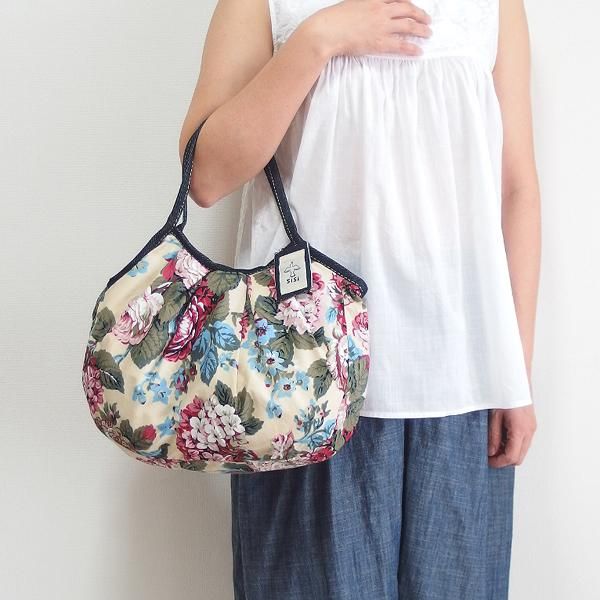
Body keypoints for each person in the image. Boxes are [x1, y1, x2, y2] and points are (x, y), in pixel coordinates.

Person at [179, 0, 540, 598]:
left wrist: (515, 374)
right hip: (302, 382)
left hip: (464, 382)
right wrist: (318, 38)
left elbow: (516, 189)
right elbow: (206, 176)